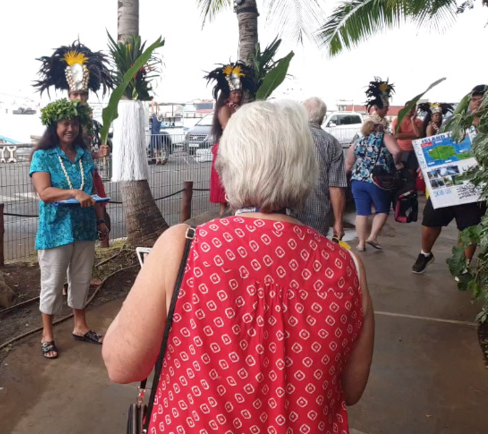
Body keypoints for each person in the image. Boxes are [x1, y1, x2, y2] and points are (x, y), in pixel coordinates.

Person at [103, 100, 374, 434]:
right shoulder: (347, 267)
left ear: (227, 165)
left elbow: (122, 364)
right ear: (307, 168)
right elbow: (351, 390)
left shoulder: (183, 247)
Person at [30, 99, 109, 360]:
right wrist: (73, 192)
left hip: (84, 227)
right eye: (65, 123)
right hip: (56, 230)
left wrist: (101, 221)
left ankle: (80, 326)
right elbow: (44, 192)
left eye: (74, 123)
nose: (70, 128)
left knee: (81, 278)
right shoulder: (43, 156)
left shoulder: (85, 155)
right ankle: (47, 334)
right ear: (54, 126)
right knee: (52, 283)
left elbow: (93, 191)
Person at [35, 40, 114, 250]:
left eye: (83, 94)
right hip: (63, 180)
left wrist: (97, 155)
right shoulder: (58, 123)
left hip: (87, 172)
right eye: (75, 94)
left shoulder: (90, 120)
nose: (79, 98)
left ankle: (102, 247)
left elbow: (82, 152)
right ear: (69, 95)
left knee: (99, 211)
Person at [413, 85, 486, 274]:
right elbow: (435, 146)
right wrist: (425, 166)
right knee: (430, 220)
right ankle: (425, 253)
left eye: (481, 99)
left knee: (469, 228)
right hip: (445, 182)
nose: (477, 103)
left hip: (474, 187)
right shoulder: (454, 122)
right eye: (474, 99)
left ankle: (463, 266)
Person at [346, 78, 403, 252]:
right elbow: (396, 151)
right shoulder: (384, 137)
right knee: (382, 209)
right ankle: (372, 237)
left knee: (361, 212)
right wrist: (397, 164)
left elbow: (349, 163)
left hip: (357, 181)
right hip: (378, 180)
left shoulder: (358, 141)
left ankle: (361, 243)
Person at [205, 62, 258, 216]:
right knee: (225, 191)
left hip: (233, 149)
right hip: (226, 150)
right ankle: (223, 218)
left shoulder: (236, 109)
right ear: (227, 93)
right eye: (234, 92)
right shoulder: (224, 109)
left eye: (239, 92)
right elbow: (229, 129)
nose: (237, 95)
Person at [300, 97, 347, 238]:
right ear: (322, 117)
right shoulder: (331, 143)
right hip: (318, 216)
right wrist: (338, 222)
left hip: (286, 213)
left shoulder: (286, 138)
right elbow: (336, 187)